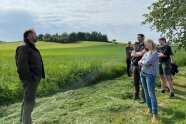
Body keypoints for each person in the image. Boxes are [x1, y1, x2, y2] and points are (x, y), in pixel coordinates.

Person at [15, 29, 45, 124]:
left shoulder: (29, 47)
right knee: (30, 101)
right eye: (35, 34)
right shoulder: (24, 47)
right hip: (30, 80)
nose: (36, 36)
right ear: (29, 35)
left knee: (27, 99)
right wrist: (30, 78)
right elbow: (21, 65)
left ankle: (24, 121)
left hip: (32, 79)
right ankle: (26, 122)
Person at [138, 39, 158, 123]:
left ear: (151, 43)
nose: (147, 44)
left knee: (151, 94)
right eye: (145, 43)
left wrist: (144, 63)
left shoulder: (155, 53)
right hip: (143, 73)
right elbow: (141, 61)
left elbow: (147, 62)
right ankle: (149, 108)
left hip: (150, 75)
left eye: (148, 42)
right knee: (146, 92)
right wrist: (143, 63)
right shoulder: (146, 53)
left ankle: (155, 114)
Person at [131, 34, 146, 103]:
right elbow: (132, 54)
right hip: (134, 65)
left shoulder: (145, 44)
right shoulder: (137, 45)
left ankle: (143, 97)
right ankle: (136, 95)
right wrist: (138, 53)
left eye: (139, 37)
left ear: (143, 37)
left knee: (142, 81)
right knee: (135, 81)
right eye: (137, 37)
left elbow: (143, 54)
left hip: (141, 65)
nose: (138, 38)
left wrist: (136, 53)